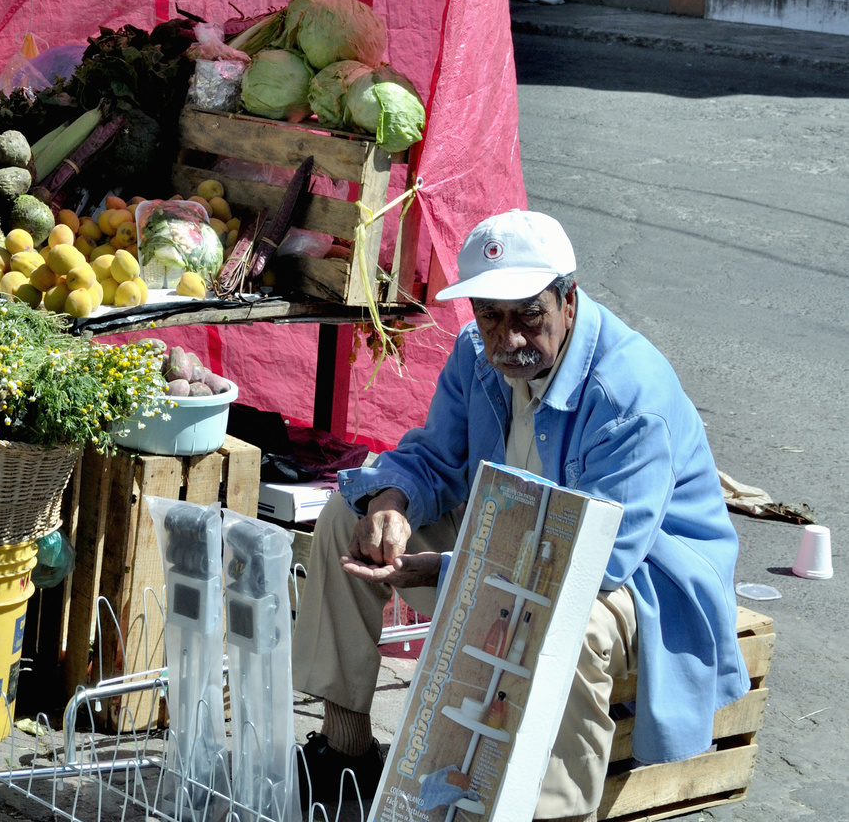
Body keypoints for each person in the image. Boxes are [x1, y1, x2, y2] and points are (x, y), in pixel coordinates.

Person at [293, 210, 746, 822]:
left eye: (528, 316)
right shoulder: (477, 355)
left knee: (566, 625)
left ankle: (554, 810)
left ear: (568, 301)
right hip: (508, 536)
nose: (507, 341)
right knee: (348, 524)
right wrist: (391, 502)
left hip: (643, 576)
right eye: (490, 318)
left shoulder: (629, 396)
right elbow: (436, 455)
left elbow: (600, 561)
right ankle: (344, 755)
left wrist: (449, 568)